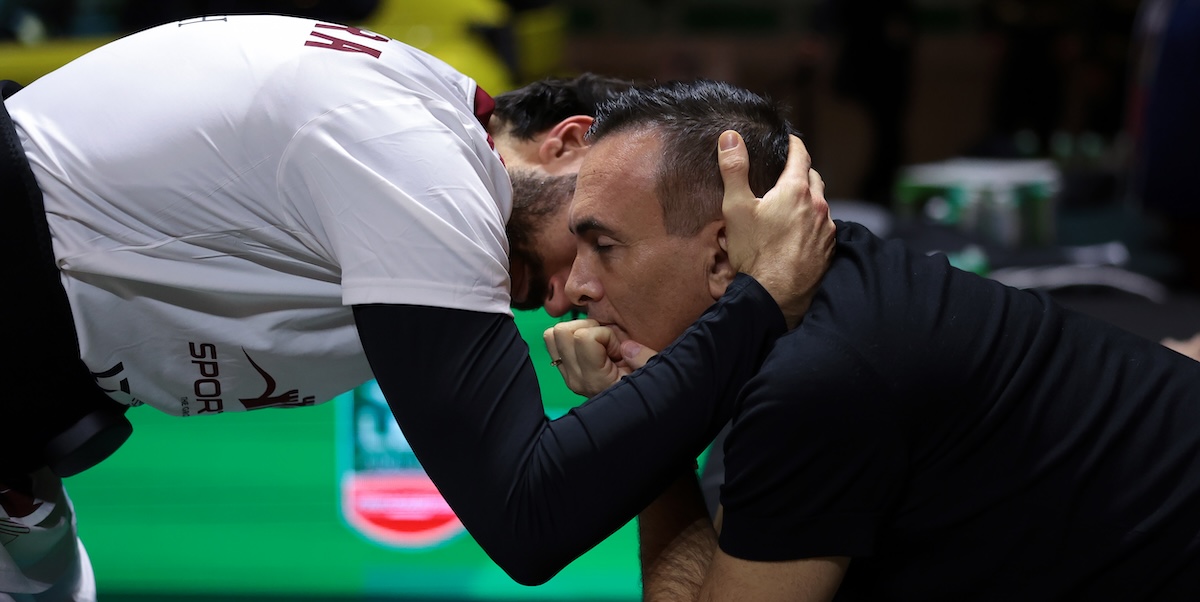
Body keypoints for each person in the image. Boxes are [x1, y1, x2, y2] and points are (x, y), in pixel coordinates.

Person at [0, 14, 838, 600]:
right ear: (570, 142)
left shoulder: (415, 152)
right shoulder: (419, 162)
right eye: (597, 237)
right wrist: (759, 303)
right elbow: (528, 518)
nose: (570, 299)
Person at [545, 79, 1200, 601]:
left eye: (604, 246)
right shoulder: (837, 289)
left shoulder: (815, 378)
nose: (574, 287)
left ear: (722, 256)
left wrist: (648, 430)